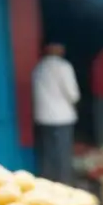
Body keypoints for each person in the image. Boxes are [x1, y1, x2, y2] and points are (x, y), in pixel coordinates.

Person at [31, 41, 79, 185]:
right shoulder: (64, 67)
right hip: (62, 118)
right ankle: (65, 187)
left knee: (47, 155)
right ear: (58, 49)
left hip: (42, 118)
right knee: (63, 156)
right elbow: (73, 94)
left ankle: (47, 187)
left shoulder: (38, 68)